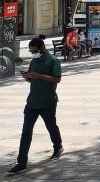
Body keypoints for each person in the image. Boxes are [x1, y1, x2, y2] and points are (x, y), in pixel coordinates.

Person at [8, 38, 63, 174]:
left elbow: (57, 79)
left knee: (51, 126)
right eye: (31, 51)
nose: (33, 53)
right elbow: (32, 78)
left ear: (42, 48)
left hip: (48, 101)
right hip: (32, 102)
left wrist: (38, 76)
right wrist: (28, 77)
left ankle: (58, 146)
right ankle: (21, 162)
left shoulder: (53, 60)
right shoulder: (34, 60)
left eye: (35, 51)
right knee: (26, 132)